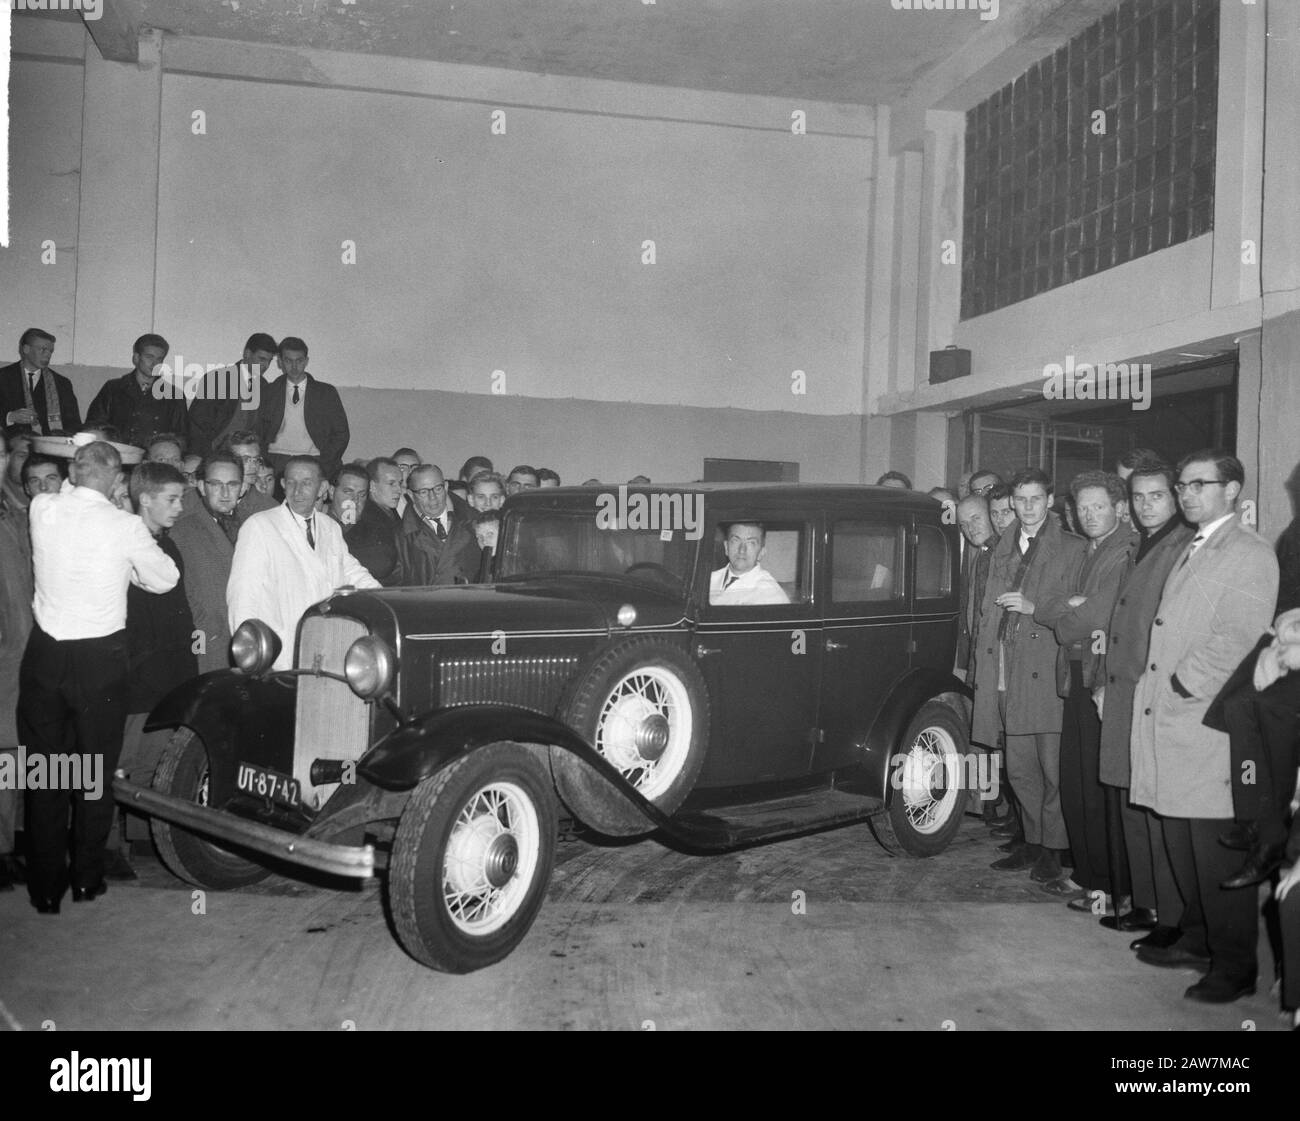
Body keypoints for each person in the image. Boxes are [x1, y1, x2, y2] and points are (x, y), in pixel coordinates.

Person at [1130, 450, 1278, 1003]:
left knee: (1216, 851)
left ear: (1232, 489)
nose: (1187, 494)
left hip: (1206, 724)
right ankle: (1196, 939)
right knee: (1183, 842)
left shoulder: (1248, 551)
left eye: (1200, 484)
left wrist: (1180, 683)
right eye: (1183, 484)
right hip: (1174, 722)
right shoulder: (1195, 545)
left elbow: (1241, 634)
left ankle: (1236, 965)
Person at [17, 441, 179, 912]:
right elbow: (164, 578)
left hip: (45, 658)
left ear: (71, 471)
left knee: (45, 772)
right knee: (93, 773)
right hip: (100, 664)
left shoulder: (43, 508)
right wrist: (130, 570)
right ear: (115, 482)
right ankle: (86, 877)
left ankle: (45, 890)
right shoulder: (124, 524)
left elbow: (71, 487)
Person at [973, 467, 1086, 883]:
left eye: (1035, 499)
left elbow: (1080, 605)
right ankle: (1034, 842)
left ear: (1050, 501)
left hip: (1045, 670)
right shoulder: (1003, 545)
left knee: (1052, 769)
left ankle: (1055, 850)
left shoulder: (1073, 548)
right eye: (1020, 500)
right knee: (1019, 768)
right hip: (1005, 668)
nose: (1027, 507)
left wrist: (1033, 604)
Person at [1096, 458, 1193, 941]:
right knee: (1131, 801)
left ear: (1175, 496)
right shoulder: (1141, 545)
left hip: (1152, 694)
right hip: (1123, 690)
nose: (1146, 505)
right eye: (1138, 496)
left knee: (1157, 807)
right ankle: (1146, 903)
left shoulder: (1182, 547)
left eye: (1156, 495)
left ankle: (1171, 916)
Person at [1035, 471, 1140, 910]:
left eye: (1099, 506)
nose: (1090, 514)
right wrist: (1069, 608)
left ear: (1118, 508)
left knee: (1100, 784)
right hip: (1075, 673)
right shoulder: (1084, 550)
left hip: (1101, 677)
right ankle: (1086, 873)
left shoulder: (1126, 550)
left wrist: (1070, 611)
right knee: (1076, 777)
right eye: (1083, 507)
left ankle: (1109, 885)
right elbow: (1045, 601)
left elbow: (1095, 615)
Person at [108, 462, 197, 879]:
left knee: (153, 764)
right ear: (144, 498)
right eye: (172, 499)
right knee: (119, 765)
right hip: (137, 680)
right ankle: (105, 848)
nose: (180, 507)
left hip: (169, 677)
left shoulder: (169, 544)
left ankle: (143, 841)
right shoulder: (124, 545)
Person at [227, 456, 378, 672]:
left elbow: (352, 572)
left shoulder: (329, 527)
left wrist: (385, 599)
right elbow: (242, 596)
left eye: (306, 483)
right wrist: (250, 655)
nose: (297, 491)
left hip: (324, 649)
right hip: (279, 655)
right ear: (282, 484)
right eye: (291, 482)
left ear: (322, 487)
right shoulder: (259, 526)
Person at [170, 453, 245, 674]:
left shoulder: (251, 525)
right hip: (205, 638)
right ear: (202, 486)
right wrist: (200, 642)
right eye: (216, 484)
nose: (224, 493)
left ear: (241, 488)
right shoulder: (181, 531)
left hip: (243, 639)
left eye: (232, 484)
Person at [0, 430, 33, 890]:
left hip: (20, 653)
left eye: (3, 452)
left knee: (11, 750)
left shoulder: (15, 506)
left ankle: (8, 845)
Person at [258, 337, 349, 479]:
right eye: (288, 360)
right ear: (280, 362)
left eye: (299, 361)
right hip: (276, 461)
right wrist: (265, 461)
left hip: (315, 459)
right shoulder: (268, 392)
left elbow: (341, 434)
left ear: (306, 361)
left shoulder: (326, 392)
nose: (294, 366)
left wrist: (324, 463)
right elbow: (258, 431)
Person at [85, 334, 187, 448]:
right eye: (149, 357)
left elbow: (180, 437)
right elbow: (94, 426)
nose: (155, 364)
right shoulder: (113, 389)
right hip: (118, 455)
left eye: (159, 359)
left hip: (156, 460)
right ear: (136, 358)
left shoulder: (174, 396)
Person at [186, 333, 276, 459]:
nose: (266, 366)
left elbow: (262, 430)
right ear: (247, 354)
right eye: (262, 359)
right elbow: (197, 425)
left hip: (247, 458)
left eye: (269, 361)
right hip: (213, 456)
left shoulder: (264, 386)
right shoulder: (218, 379)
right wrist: (202, 458)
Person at [400, 464, 479, 585]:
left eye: (438, 489)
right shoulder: (401, 536)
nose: (433, 498)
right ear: (410, 495)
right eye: (424, 492)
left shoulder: (473, 522)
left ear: (446, 487)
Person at [1, 328, 81, 436]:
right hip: (10, 446)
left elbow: (74, 424)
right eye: (43, 349)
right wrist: (9, 417)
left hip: (48, 447)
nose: (48, 355)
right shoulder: (3, 377)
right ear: (26, 349)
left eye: (50, 351)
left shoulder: (62, 383)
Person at [350, 457, 407, 586]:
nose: (399, 490)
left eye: (400, 483)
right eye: (391, 483)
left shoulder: (390, 512)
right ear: (372, 486)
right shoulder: (363, 520)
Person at [710, 522, 789, 606]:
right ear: (726, 547)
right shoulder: (708, 580)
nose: (742, 550)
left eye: (751, 543)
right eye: (735, 540)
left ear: (761, 553)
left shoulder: (773, 596)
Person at [328, 462, 370, 531]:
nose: (355, 500)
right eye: (348, 492)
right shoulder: (318, 526)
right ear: (332, 491)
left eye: (361, 495)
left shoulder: (373, 528)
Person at [393, 447, 421, 518]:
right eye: (403, 468)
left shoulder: (429, 500)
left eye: (414, 468)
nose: (410, 472)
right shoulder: (387, 503)